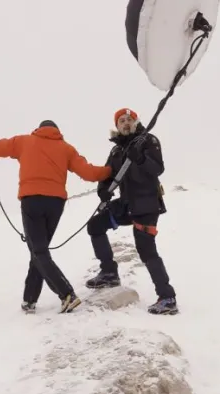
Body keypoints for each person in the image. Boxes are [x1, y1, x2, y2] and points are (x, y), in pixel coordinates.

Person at [0, 120, 111, 313]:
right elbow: (90, 173)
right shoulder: (66, 149)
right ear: (57, 131)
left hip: (32, 201)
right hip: (55, 204)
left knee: (39, 251)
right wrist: (112, 169)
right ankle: (29, 300)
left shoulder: (24, 141)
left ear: (39, 129)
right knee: (39, 251)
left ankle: (66, 294)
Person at [84, 108, 177, 315]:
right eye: (122, 121)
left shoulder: (148, 141)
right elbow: (109, 174)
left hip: (147, 204)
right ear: (116, 126)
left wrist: (141, 159)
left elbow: (158, 168)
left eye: (129, 120)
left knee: (145, 248)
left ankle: (167, 297)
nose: (126, 123)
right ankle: (109, 273)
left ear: (136, 122)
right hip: (127, 204)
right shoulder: (117, 150)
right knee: (95, 226)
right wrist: (103, 190)